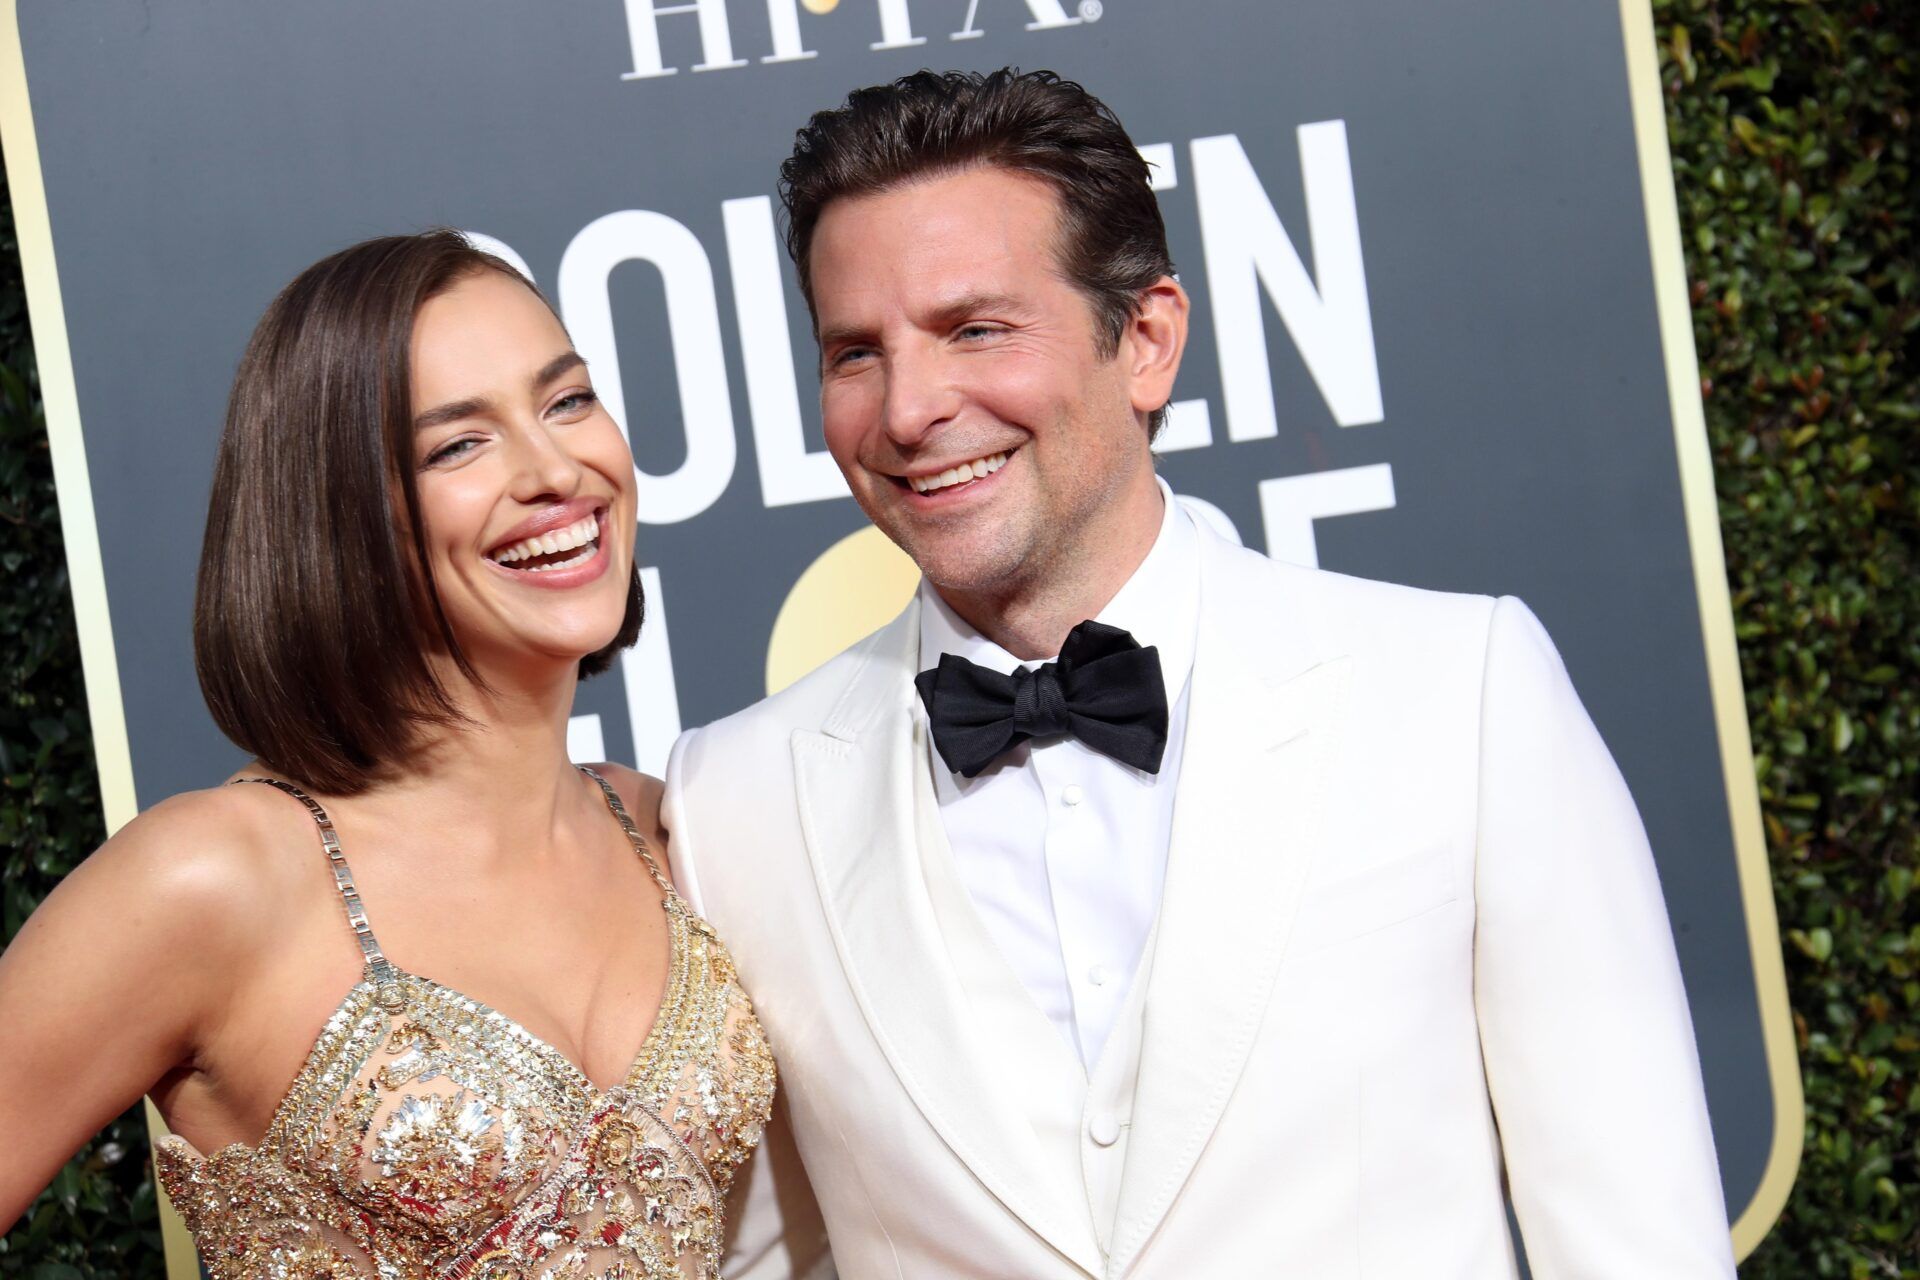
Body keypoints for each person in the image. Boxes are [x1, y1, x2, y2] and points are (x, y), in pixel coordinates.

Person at [664, 69, 1737, 1277]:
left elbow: (1643, 1246)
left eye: (976, 328)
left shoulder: (1460, 692)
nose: (909, 408)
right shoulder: (731, 798)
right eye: (856, 352)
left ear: (1149, 340)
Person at [0, 231, 775, 1278]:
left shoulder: (663, 828)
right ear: (339, 515)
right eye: (458, 445)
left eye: (568, 400)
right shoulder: (214, 878)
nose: (555, 469)